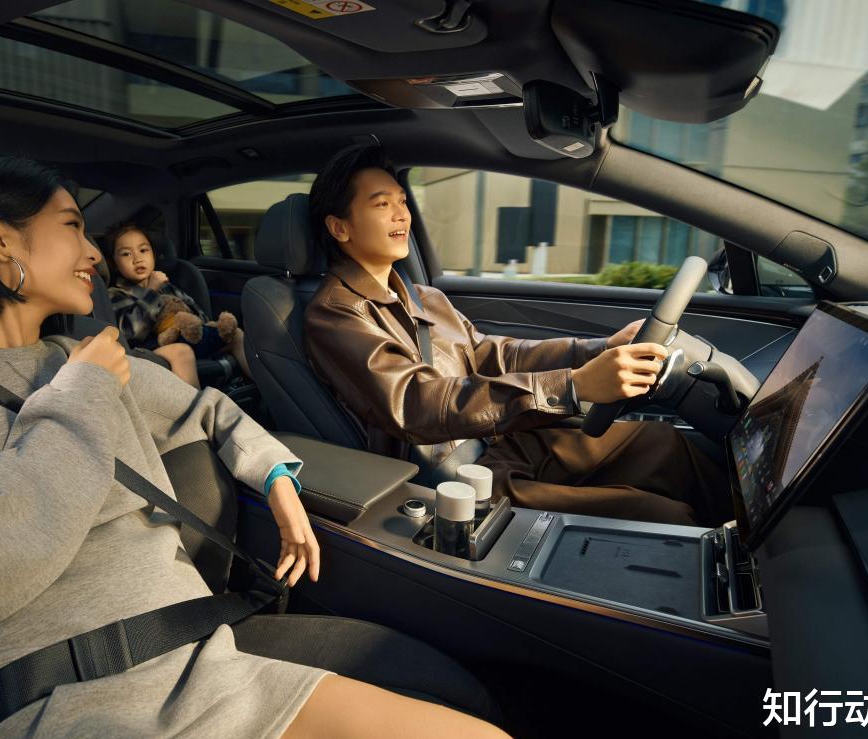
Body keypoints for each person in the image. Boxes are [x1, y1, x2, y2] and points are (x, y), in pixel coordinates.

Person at [0, 155, 521, 739]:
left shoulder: (80, 358)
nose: (96, 253)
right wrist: (80, 397)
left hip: (190, 657)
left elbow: (210, 408)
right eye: (72, 227)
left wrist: (277, 479)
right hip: (47, 699)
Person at [303, 145, 730, 526]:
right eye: (382, 204)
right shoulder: (336, 314)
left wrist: (600, 349)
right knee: (660, 516)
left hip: (500, 439)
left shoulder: (424, 297)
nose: (402, 214)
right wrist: (572, 386)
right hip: (457, 478)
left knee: (664, 444)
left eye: (401, 200)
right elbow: (414, 403)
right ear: (340, 228)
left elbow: (494, 354)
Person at [104, 222, 251, 386]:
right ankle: (199, 403)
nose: (137, 259)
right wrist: (151, 292)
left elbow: (197, 314)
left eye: (143, 250)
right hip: (149, 349)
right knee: (182, 351)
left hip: (187, 338)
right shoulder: (116, 294)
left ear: (153, 255)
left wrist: (203, 329)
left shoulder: (167, 287)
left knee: (236, 334)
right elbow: (130, 332)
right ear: (114, 263)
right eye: (126, 254)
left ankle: (265, 389)